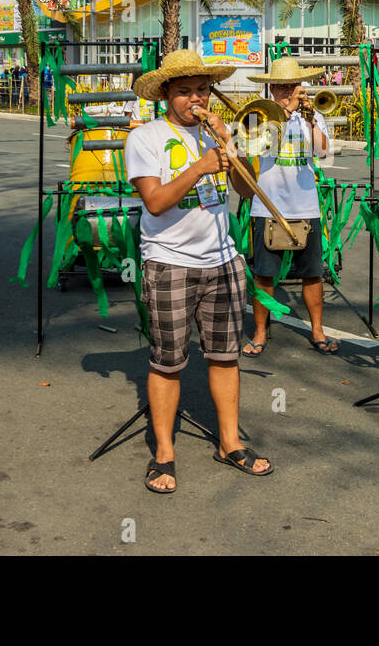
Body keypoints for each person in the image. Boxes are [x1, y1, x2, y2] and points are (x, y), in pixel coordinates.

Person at [125, 50, 272, 493]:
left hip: (222, 259)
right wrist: (202, 166)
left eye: (202, 90)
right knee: (168, 361)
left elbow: (247, 191)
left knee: (226, 356)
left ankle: (230, 443)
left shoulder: (217, 136)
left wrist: (234, 147)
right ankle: (164, 453)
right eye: (185, 91)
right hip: (169, 261)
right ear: (166, 94)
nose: (196, 99)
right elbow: (155, 201)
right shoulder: (146, 138)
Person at [243, 57, 333, 356]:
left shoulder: (312, 117)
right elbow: (254, 147)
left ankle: (317, 329)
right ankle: (259, 332)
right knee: (264, 274)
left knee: (312, 274)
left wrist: (309, 118)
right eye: (281, 86)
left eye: (292, 85)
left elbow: (323, 152)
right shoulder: (258, 116)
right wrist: (284, 113)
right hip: (268, 207)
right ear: (271, 88)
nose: (288, 91)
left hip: (305, 206)